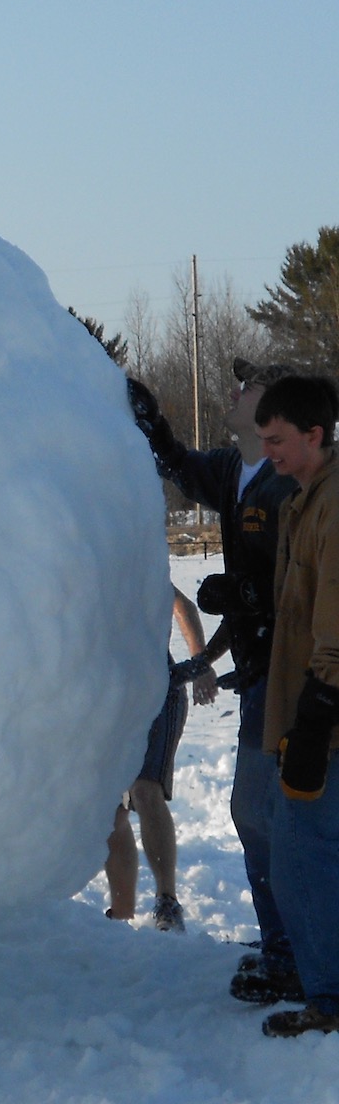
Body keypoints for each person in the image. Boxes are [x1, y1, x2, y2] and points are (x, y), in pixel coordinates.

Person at [127, 362, 299, 999]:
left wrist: (247, 593)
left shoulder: (292, 486)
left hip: (293, 675)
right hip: (257, 673)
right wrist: (148, 418)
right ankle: (283, 941)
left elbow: (300, 588)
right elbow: (176, 460)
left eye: (248, 386)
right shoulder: (235, 471)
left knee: (271, 815)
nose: (235, 391)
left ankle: (296, 953)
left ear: (274, 411)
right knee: (259, 816)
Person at [250, 376, 339, 1037]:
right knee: (301, 855)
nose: (268, 453)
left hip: (325, 720)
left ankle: (329, 1002)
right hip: (303, 708)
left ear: (314, 435)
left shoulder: (335, 506)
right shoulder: (304, 499)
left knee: (302, 859)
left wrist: (318, 712)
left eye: (277, 440)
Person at [104, 587, 217, 930]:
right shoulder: (88, 563)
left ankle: (167, 901)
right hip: (112, 695)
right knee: (111, 807)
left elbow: (182, 605)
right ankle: (121, 913)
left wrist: (200, 663)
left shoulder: (137, 557)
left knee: (144, 790)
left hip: (158, 690)